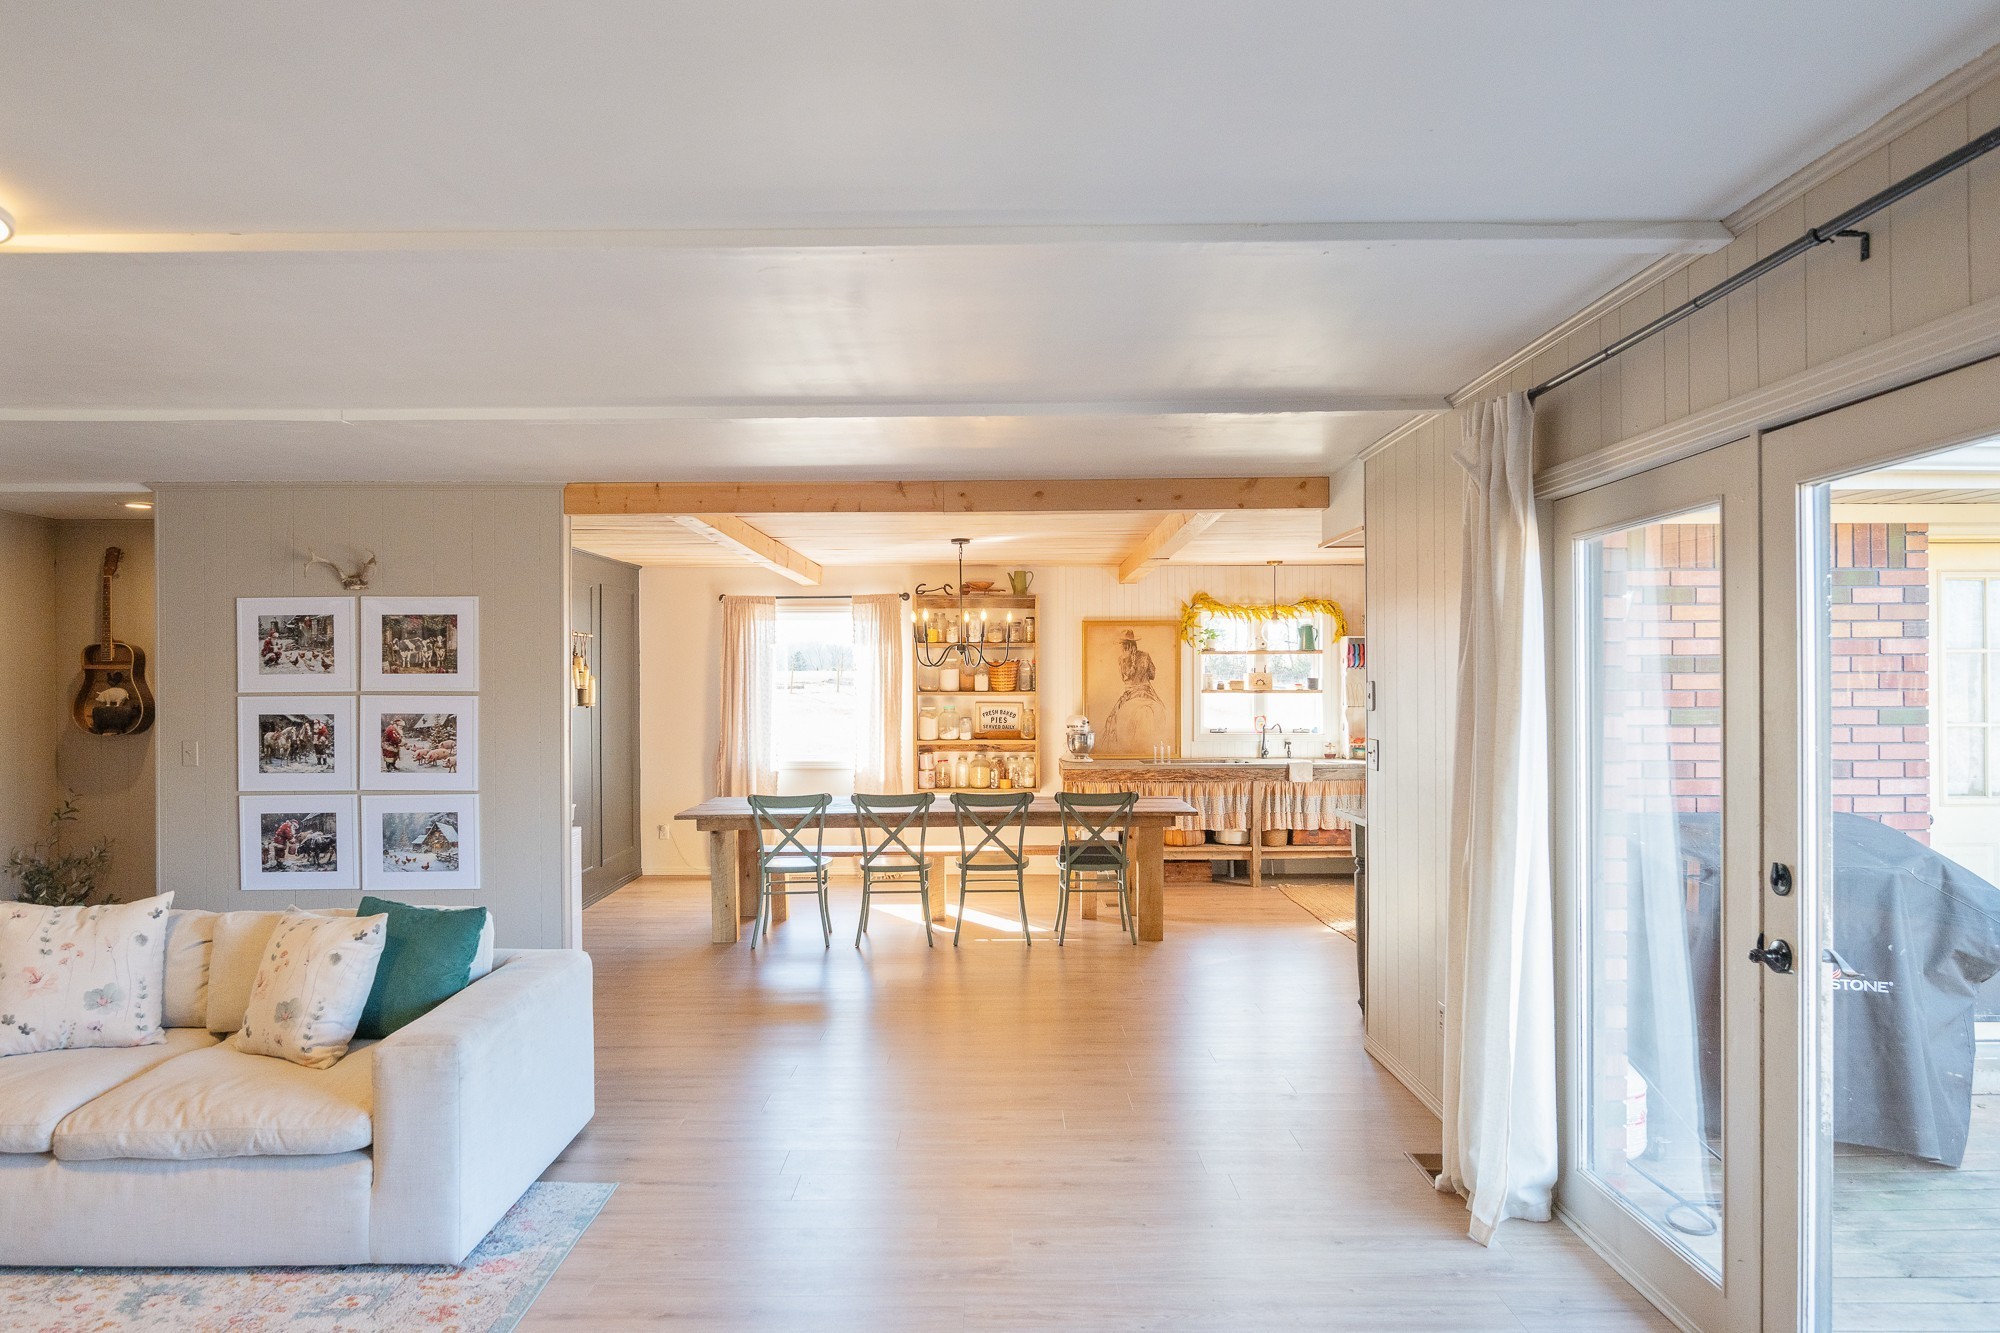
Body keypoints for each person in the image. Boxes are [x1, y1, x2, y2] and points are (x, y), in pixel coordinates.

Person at [1103, 629, 1168, 753]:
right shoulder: (1145, 656)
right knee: (1162, 708)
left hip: (1130, 694)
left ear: (1124, 645)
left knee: (1111, 721)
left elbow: (1124, 678)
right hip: (1147, 692)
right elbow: (1152, 675)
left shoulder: (1121, 659)